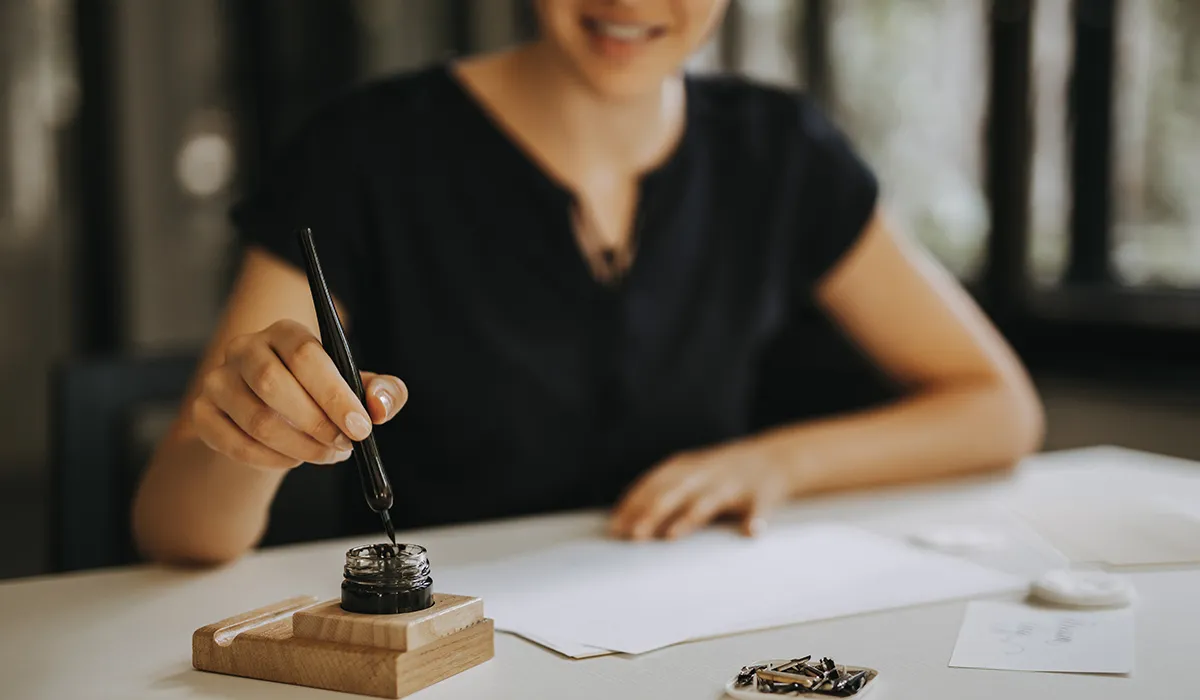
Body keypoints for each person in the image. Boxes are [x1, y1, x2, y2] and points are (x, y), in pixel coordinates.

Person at [132, 0, 1044, 566]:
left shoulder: (779, 152)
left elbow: (998, 409)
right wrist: (244, 437)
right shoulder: (364, 153)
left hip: (694, 634)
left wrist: (776, 462)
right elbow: (178, 531)